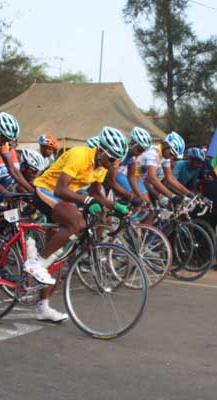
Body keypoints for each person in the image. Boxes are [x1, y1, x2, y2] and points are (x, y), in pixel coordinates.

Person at [30, 127, 130, 322]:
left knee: (59, 260)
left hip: (61, 199)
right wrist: (86, 201)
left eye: (117, 161)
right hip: (45, 191)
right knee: (77, 222)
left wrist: (116, 207)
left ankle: (43, 307)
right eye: (112, 159)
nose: (113, 164)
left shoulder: (101, 167)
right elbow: (60, 189)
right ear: (101, 150)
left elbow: (96, 194)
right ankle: (35, 262)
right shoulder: (79, 155)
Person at [106, 127, 153, 206]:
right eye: (140, 150)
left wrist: (141, 198)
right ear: (132, 143)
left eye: (143, 151)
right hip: (105, 175)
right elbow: (112, 180)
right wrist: (131, 197)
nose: (141, 153)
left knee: (137, 195)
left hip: (114, 174)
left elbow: (132, 177)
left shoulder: (132, 157)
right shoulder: (121, 153)